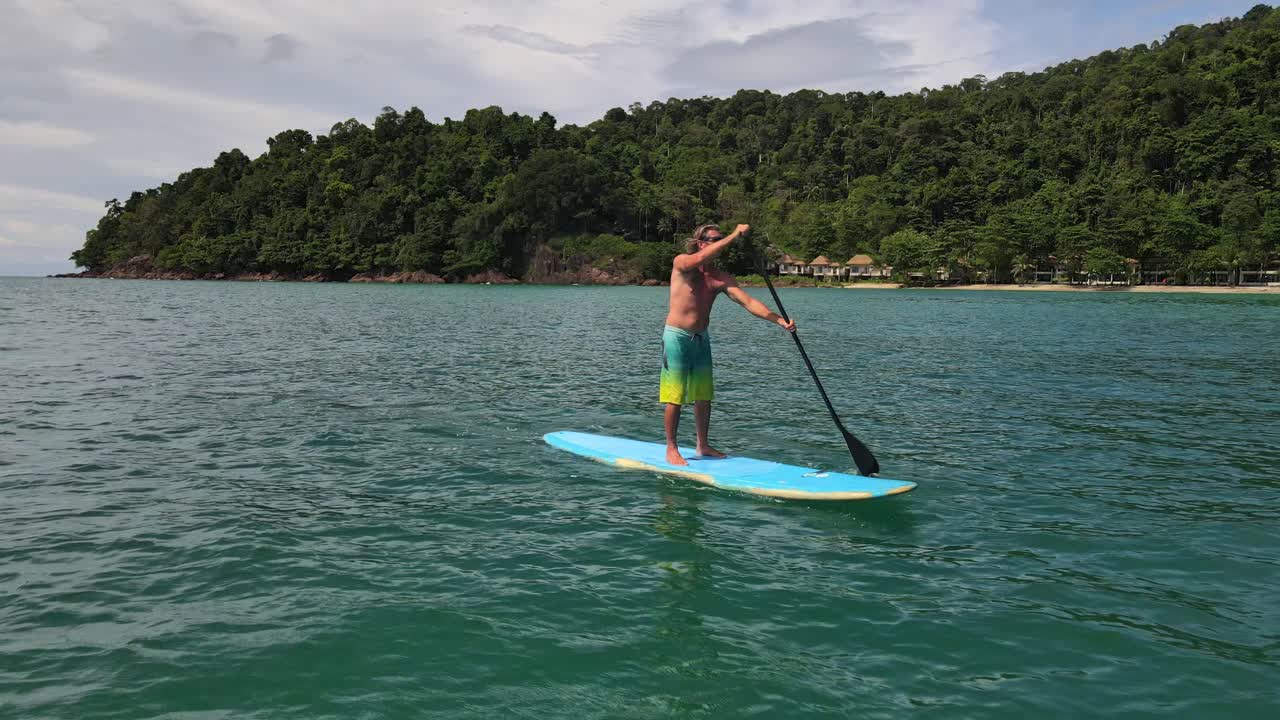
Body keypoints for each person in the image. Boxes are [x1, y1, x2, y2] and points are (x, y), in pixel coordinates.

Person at [660, 223, 796, 466]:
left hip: (701, 338)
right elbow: (700, 258)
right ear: (701, 243)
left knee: (703, 395)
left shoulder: (720, 278)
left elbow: (748, 302)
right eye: (714, 239)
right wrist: (734, 235)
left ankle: (703, 444)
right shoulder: (682, 263)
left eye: (720, 238)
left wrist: (780, 321)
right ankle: (672, 448)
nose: (719, 243)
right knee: (675, 395)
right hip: (677, 337)